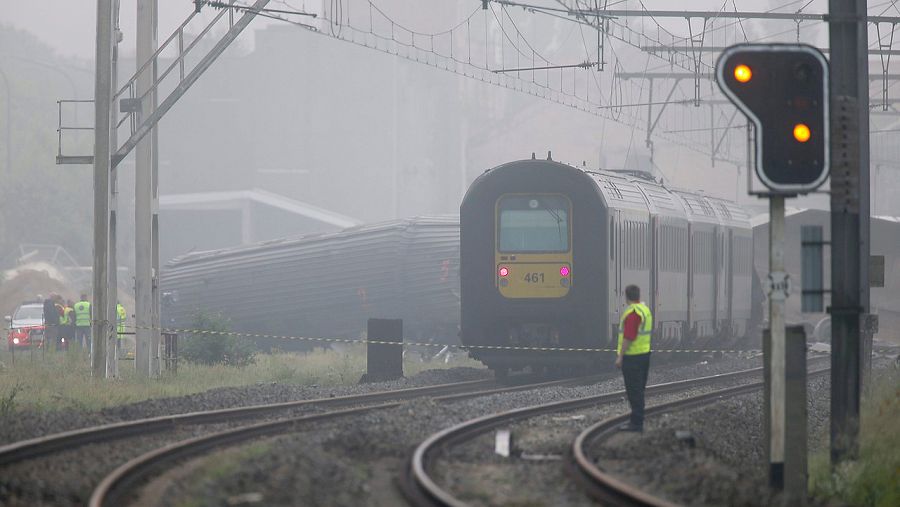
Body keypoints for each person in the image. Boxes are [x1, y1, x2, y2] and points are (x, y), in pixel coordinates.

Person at [615, 284, 653, 432]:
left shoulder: (633, 313)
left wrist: (620, 356)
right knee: (639, 390)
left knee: (634, 391)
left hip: (633, 358)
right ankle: (637, 421)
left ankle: (636, 423)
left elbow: (629, 336)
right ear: (638, 295)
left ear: (626, 296)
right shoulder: (645, 310)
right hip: (644, 355)